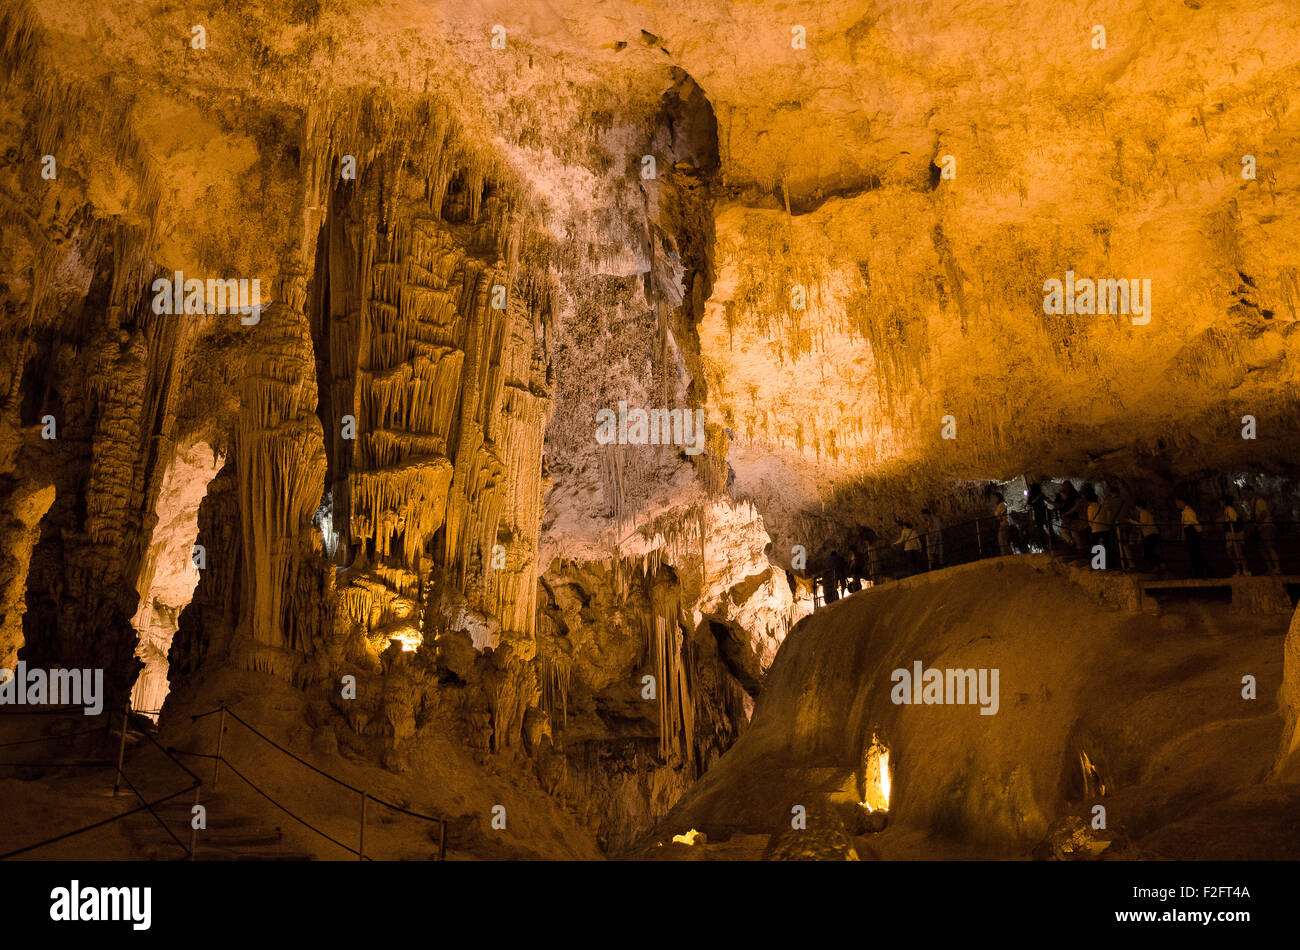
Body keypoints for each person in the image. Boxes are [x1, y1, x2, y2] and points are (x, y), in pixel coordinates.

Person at [1244, 485, 1282, 575]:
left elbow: (1264, 513)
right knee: (1262, 549)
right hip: (1260, 527)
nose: (1244, 496)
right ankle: (1270, 569)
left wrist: (1256, 523)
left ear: (1251, 492)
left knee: (1269, 547)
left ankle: (1277, 568)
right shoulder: (1252, 503)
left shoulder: (1259, 501)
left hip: (1266, 526)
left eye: (1245, 493)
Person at [1176, 496, 1207, 578]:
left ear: (1182, 502)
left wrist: (1198, 532)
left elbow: (1193, 523)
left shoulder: (1188, 512)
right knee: (1195, 553)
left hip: (1192, 532)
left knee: (1195, 553)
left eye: (1177, 502)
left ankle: (1200, 572)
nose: (1176, 504)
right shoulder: (1185, 512)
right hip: (1191, 532)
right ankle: (1202, 571)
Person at [1129, 499, 1163, 573]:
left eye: (1136, 506)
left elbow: (1142, 524)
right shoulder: (1146, 512)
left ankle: (1158, 565)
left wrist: (1132, 522)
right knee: (1149, 552)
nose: (1136, 508)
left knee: (1147, 553)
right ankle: (1159, 565)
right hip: (1151, 534)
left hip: (1150, 534)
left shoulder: (1143, 513)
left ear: (1139, 506)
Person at [1220, 495, 1250, 576]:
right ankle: (1240, 569)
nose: (1220, 503)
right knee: (1232, 552)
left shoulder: (1229, 509)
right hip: (1230, 534)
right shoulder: (1227, 510)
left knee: (1237, 552)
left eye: (1221, 501)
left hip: (1233, 534)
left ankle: (1243, 570)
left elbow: (1233, 519)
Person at [1027, 482, 1051, 549]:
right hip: (1043, 513)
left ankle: (1044, 545)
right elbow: (1048, 500)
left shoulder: (1031, 496)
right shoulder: (1040, 495)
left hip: (1037, 514)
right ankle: (1051, 543)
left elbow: (1029, 504)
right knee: (1048, 528)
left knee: (1041, 530)